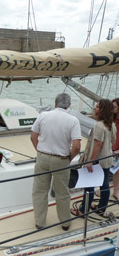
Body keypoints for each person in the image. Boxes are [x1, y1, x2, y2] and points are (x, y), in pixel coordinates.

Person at [31, 92, 81, 231]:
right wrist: (69, 158)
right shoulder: (73, 120)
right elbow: (76, 146)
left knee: (40, 191)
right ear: (69, 105)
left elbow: (33, 136)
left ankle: (39, 222)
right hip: (61, 159)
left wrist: (39, 151)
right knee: (62, 192)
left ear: (55, 103)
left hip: (42, 157)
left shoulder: (43, 116)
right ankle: (65, 223)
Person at [71, 99, 116, 217]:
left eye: (97, 107)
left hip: (97, 160)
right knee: (104, 183)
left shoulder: (99, 126)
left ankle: (83, 210)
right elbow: (113, 140)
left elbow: (97, 144)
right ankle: (102, 208)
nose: (94, 108)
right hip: (107, 158)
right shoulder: (111, 125)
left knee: (89, 185)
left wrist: (90, 161)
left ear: (102, 110)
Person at [111, 98, 119, 201]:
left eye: (114, 107)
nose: (112, 108)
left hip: (117, 149)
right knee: (103, 169)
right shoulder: (110, 119)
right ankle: (101, 189)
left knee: (117, 171)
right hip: (109, 148)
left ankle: (116, 191)